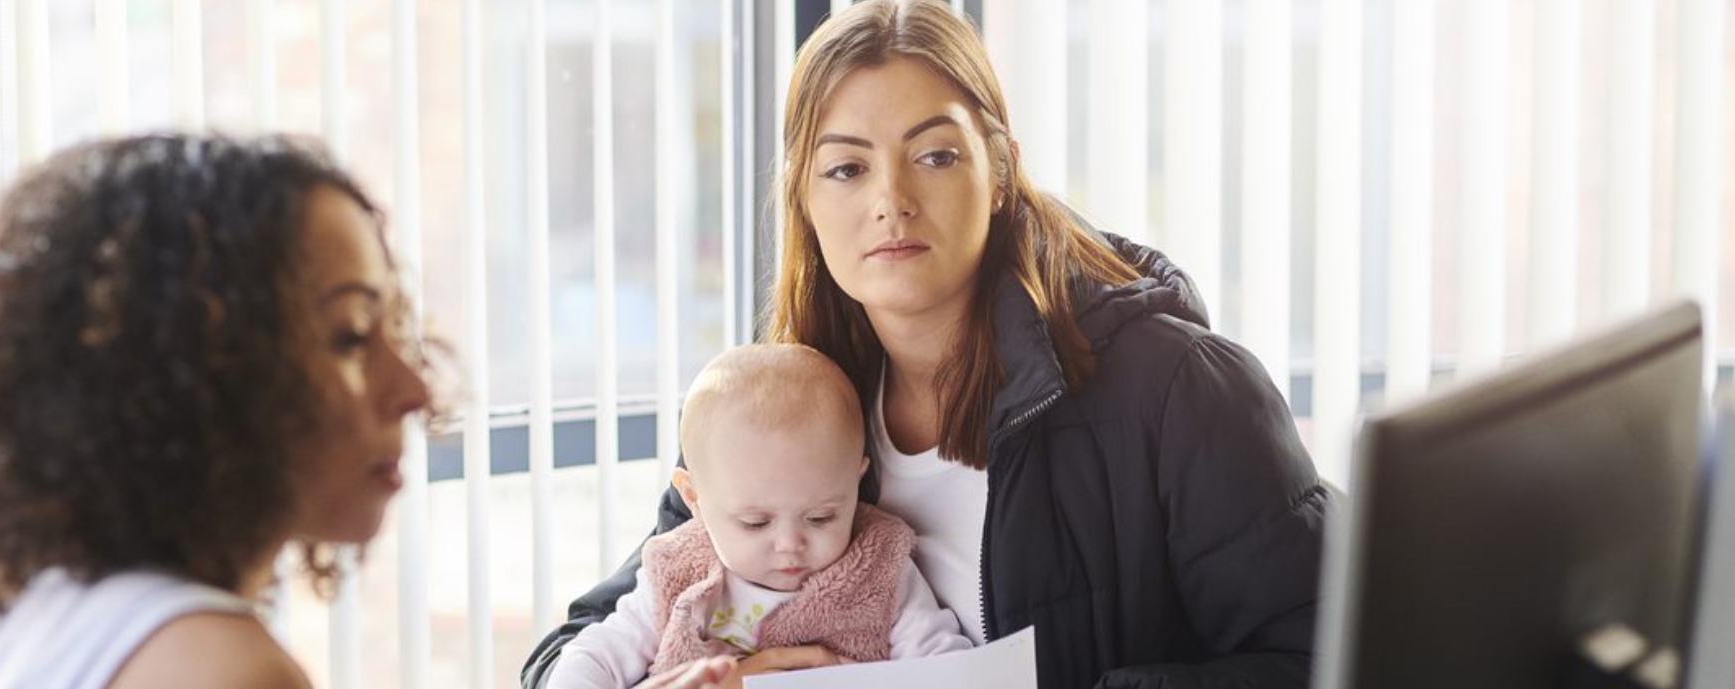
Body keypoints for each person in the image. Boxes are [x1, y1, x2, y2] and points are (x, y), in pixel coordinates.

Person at [525, 2, 1328, 688]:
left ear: (1003, 169)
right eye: (846, 169)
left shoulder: (1177, 390)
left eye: (936, 156)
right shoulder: (772, 405)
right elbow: (584, 643)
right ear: (803, 198)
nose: (892, 201)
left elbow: (1336, 657)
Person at [0, 134, 734, 689]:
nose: (415, 387)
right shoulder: (222, 668)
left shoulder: (13, 635)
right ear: (203, 377)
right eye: (348, 336)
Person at [548, 344, 973, 689]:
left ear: (856, 481)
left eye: (821, 517)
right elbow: (592, 656)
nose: (790, 544)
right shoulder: (678, 571)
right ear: (694, 499)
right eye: (755, 523)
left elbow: (947, 669)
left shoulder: (880, 569)